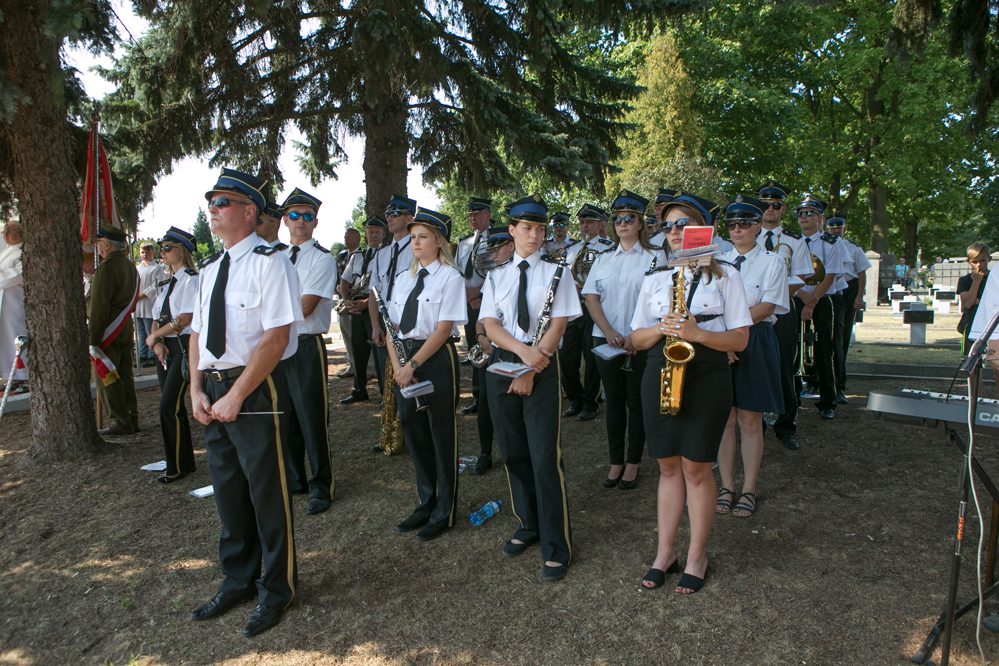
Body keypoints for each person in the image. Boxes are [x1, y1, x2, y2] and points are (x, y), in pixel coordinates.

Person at [188, 168, 303, 638]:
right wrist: (195, 388)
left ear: (249, 211)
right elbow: (197, 334)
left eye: (222, 202)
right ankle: (238, 579)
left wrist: (237, 394)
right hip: (213, 389)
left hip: (252, 387)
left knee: (266, 492)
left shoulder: (271, 262)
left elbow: (277, 337)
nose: (212, 209)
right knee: (228, 491)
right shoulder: (209, 269)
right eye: (211, 202)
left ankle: (276, 589)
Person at [630, 192, 751, 594]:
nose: (674, 232)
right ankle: (664, 553)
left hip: (707, 374)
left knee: (697, 468)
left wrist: (698, 333)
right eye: (667, 226)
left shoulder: (726, 275)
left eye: (682, 224)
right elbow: (636, 338)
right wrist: (660, 328)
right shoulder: (656, 277)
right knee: (667, 467)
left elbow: (741, 339)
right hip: (660, 370)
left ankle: (697, 556)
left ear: (703, 228)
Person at [480, 194, 581, 582]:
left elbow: (558, 324)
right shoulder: (496, 276)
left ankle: (557, 544)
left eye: (540, 228)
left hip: (542, 365)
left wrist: (531, 367)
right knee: (513, 452)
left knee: (543, 457)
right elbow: (491, 326)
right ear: (512, 230)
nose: (535, 235)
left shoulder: (558, 273)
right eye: (527, 228)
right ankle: (529, 523)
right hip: (505, 364)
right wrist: (522, 354)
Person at [386, 208, 466, 540]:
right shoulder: (403, 278)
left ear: (439, 241)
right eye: (413, 237)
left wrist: (413, 366)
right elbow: (391, 328)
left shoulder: (451, 277)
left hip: (433, 359)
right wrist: (398, 368)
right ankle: (425, 502)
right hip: (403, 361)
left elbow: (444, 328)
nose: (416, 243)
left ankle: (444, 511)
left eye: (423, 237)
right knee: (415, 433)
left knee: (441, 434)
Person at [583, 192, 664, 491]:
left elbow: (659, 301)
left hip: (641, 341)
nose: (622, 223)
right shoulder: (603, 258)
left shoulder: (656, 257)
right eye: (617, 219)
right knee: (615, 402)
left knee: (637, 402)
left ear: (641, 222)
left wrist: (635, 336)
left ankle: (633, 462)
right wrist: (608, 331)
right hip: (606, 340)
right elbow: (591, 298)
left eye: (629, 218)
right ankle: (616, 460)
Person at [716, 196, 788, 519]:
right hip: (722, 341)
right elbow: (711, 304)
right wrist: (724, 339)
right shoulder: (718, 261)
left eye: (744, 223)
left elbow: (767, 307)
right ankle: (726, 486)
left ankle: (749, 488)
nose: (737, 229)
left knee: (749, 419)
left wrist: (734, 332)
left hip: (755, 339)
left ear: (758, 226)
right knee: (725, 419)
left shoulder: (773, 262)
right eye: (731, 224)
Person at [281, 188, 337, 516]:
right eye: (294, 215)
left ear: (315, 222)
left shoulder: (322, 259)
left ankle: (321, 486)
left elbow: (305, 307)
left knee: (312, 419)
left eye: (307, 216)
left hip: (304, 345)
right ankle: (294, 479)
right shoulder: (275, 256)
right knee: (285, 417)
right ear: (285, 221)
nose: (300, 221)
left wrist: (267, 312)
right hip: (278, 346)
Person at [756, 181, 812, 450]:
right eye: (766, 205)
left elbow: (801, 277)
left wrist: (774, 294)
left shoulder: (794, 241)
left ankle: (786, 425)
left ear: (783, 209)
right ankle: (754, 424)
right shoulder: (746, 237)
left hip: (784, 311)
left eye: (776, 205)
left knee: (784, 368)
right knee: (753, 366)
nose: (770, 209)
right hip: (752, 313)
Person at [144, 227, 199, 483]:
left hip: (183, 347)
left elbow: (185, 318)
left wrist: (154, 337)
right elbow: (156, 317)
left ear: (182, 251)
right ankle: (184, 462)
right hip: (165, 348)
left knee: (167, 406)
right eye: (161, 248)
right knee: (174, 407)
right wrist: (155, 341)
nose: (162, 252)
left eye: (168, 248)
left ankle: (174, 467)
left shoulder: (191, 280)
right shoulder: (166, 283)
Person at [793, 195, 846, 421]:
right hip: (797, 297)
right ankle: (793, 397)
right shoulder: (791, 242)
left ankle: (827, 401)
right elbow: (785, 273)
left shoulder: (830, 243)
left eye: (810, 213)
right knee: (794, 349)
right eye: (800, 213)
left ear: (820, 218)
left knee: (824, 350)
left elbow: (831, 275)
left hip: (822, 300)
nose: (804, 217)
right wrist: (802, 297)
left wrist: (812, 301)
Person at [468, 226, 515, 476]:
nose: (493, 254)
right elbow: (481, 320)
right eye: (492, 250)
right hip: (492, 350)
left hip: (514, 350)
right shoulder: (492, 277)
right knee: (486, 403)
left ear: (512, 246)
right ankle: (485, 453)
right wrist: (480, 336)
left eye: (498, 249)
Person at [561, 203, 613, 421]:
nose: (584, 226)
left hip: (593, 307)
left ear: (600, 224)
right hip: (572, 308)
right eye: (582, 222)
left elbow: (609, 280)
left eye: (589, 222)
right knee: (566, 356)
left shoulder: (608, 247)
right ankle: (575, 399)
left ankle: (591, 403)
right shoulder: (572, 249)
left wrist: (585, 288)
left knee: (591, 358)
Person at [90, 223, 140, 436]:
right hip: (124, 326)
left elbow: (99, 307)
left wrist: (93, 339)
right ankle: (131, 417)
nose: (97, 247)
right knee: (125, 374)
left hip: (107, 329)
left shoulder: (106, 268)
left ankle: (120, 420)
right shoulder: (130, 266)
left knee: (107, 375)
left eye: (99, 243)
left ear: (107, 245)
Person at [825, 216, 872, 404]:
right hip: (826, 291)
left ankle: (839, 385)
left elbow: (861, 273)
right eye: (832, 228)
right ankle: (815, 381)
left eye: (839, 228)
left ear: (844, 229)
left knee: (841, 338)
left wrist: (859, 297)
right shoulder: (821, 245)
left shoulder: (854, 249)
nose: (835, 231)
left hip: (847, 291)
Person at [340, 217, 386, 403]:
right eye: (370, 232)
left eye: (377, 232)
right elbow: (344, 280)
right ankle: (359, 390)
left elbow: (384, 285)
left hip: (375, 307)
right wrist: (346, 301)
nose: (373, 235)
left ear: (383, 235)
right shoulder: (356, 256)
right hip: (355, 307)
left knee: (379, 352)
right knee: (358, 351)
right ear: (365, 234)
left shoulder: (387, 255)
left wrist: (367, 303)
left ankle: (384, 393)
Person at [453, 197, 492, 411]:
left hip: (489, 303)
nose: (473, 219)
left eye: (477, 214)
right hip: (469, 303)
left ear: (487, 216)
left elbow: (499, 271)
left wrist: (478, 292)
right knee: (474, 349)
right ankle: (478, 396)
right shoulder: (464, 243)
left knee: (489, 347)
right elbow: (458, 272)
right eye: (470, 215)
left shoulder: (497, 239)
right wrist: (469, 297)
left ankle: (489, 394)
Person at [0, 219, 27, 393]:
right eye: (4, 232)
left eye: (9, 232)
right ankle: (11, 377)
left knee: (18, 339)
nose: (5, 235)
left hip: (16, 305)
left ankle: (25, 378)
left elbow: (18, 274)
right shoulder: (5, 252)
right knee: (6, 342)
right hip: (4, 307)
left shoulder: (24, 251)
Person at [134, 242, 167, 367]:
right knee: (140, 331)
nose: (145, 255)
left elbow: (156, 286)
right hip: (138, 304)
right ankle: (142, 354)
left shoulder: (156, 268)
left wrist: (141, 296)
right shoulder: (137, 268)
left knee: (150, 330)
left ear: (153, 253)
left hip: (149, 303)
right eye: (142, 252)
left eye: (147, 252)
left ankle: (152, 354)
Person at [336, 228, 361, 380]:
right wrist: (338, 289)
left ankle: (368, 367)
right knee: (346, 335)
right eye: (345, 237)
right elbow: (337, 277)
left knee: (359, 337)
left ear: (358, 239)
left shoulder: (363, 255)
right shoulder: (341, 256)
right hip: (344, 300)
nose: (347, 240)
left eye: (350, 237)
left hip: (358, 300)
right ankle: (351, 364)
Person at [958, 242, 991, 353]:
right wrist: (976, 282)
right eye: (974, 262)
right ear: (968, 261)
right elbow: (967, 304)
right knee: (970, 357)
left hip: (991, 324)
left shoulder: (994, 279)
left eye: (982, 261)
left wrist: (977, 301)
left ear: (989, 259)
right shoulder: (965, 281)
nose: (978, 265)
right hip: (971, 324)